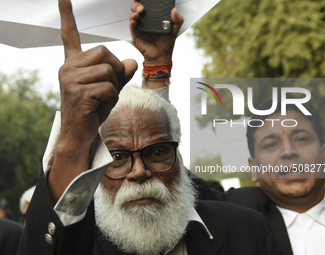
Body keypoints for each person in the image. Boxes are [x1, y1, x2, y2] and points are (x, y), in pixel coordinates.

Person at [17, 0, 285, 254]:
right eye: (117, 158)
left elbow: (154, 128)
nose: (139, 172)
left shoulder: (247, 233)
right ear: (94, 169)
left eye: (157, 153)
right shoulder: (80, 244)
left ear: (177, 155)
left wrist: (158, 68)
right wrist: (73, 138)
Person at [194, 97, 325, 255]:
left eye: (301, 139)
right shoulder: (238, 217)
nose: (288, 152)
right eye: (271, 144)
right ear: (254, 168)